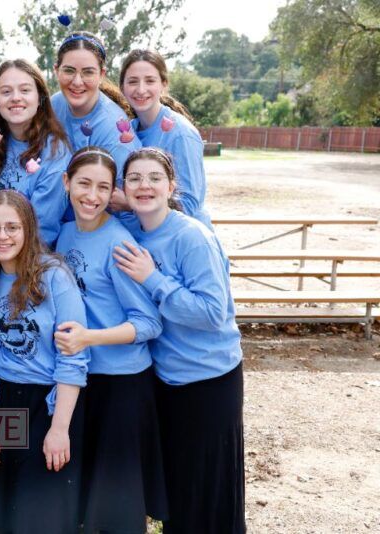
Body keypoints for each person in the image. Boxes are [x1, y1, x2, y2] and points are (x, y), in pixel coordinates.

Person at [113, 148, 245, 534]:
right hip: (166, 380)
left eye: (155, 178)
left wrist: (153, 279)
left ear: (171, 186)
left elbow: (212, 313)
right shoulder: (132, 232)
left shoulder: (192, 237)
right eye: (135, 178)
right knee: (180, 490)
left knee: (210, 491)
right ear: (124, 188)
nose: (145, 186)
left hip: (208, 379)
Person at [53, 146, 168, 532]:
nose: (92, 196)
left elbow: (149, 323)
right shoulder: (65, 234)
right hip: (83, 376)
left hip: (122, 382)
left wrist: (89, 337)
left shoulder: (118, 244)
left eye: (103, 187)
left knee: (118, 504)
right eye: (84, 184)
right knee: (90, 495)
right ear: (67, 182)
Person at [0, 189, 89, 534]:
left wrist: (59, 429)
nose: (2, 236)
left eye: (12, 227)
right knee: (4, 513)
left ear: (28, 229)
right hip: (6, 398)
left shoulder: (54, 276)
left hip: (50, 403)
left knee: (40, 514)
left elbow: (74, 358)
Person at [120, 49, 212, 229]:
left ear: (163, 84)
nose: (141, 89)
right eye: (132, 81)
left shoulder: (181, 134)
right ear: (122, 87)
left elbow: (189, 203)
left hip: (182, 238)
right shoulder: (127, 131)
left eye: (150, 81)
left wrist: (129, 203)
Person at [0, 59, 72, 245]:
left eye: (25, 90)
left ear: (40, 97)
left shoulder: (55, 153)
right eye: (6, 92)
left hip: (27, 254)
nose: (15, 97)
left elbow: (41, 228)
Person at [51, 31, 140, 196]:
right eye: (69, 71)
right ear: (56, 70)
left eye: (88, 72)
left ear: (101, 75)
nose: (77, 82)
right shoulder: (53, 106)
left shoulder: (115, 130)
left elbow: (123, 200)